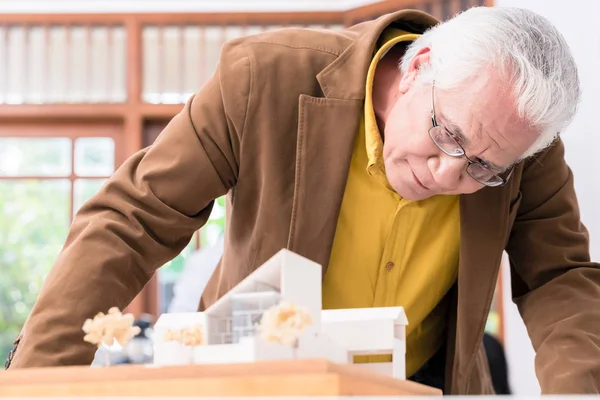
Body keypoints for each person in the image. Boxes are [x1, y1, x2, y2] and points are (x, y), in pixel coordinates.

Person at [5, 5, 599, 395]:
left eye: (482, 170)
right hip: (262, 375)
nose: (449, 173)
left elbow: (559, 277)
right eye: (447, 135)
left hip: (419, 383)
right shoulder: (264, 80)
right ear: (419, 63)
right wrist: (37, 385)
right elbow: (131, 221)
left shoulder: (516, 147)